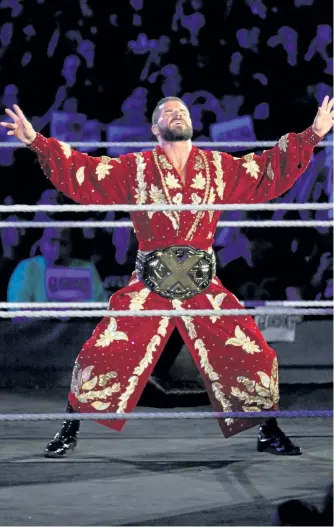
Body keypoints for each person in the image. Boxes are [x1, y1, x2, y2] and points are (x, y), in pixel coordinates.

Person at [1, 96, 333, 459]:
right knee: (101, 351)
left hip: (203, 283)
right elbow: (85, 172)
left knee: (252, 351)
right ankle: (69, 428)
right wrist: (37, 141)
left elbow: (267, 169)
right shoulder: (136, 168)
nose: (177, 115)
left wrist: (312, 135)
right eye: (168, 113)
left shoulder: (218, 168)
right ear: (155, 129)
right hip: (149, 283)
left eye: (183, 111)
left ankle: (268, 431)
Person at [7, 227, 107, 303]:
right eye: (52, 241)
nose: (57, 248)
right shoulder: (26, 269)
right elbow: (19, 313)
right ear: (41, 245)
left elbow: (100, 309)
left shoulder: (87, 269)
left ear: (71, 247)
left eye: (63, 243)